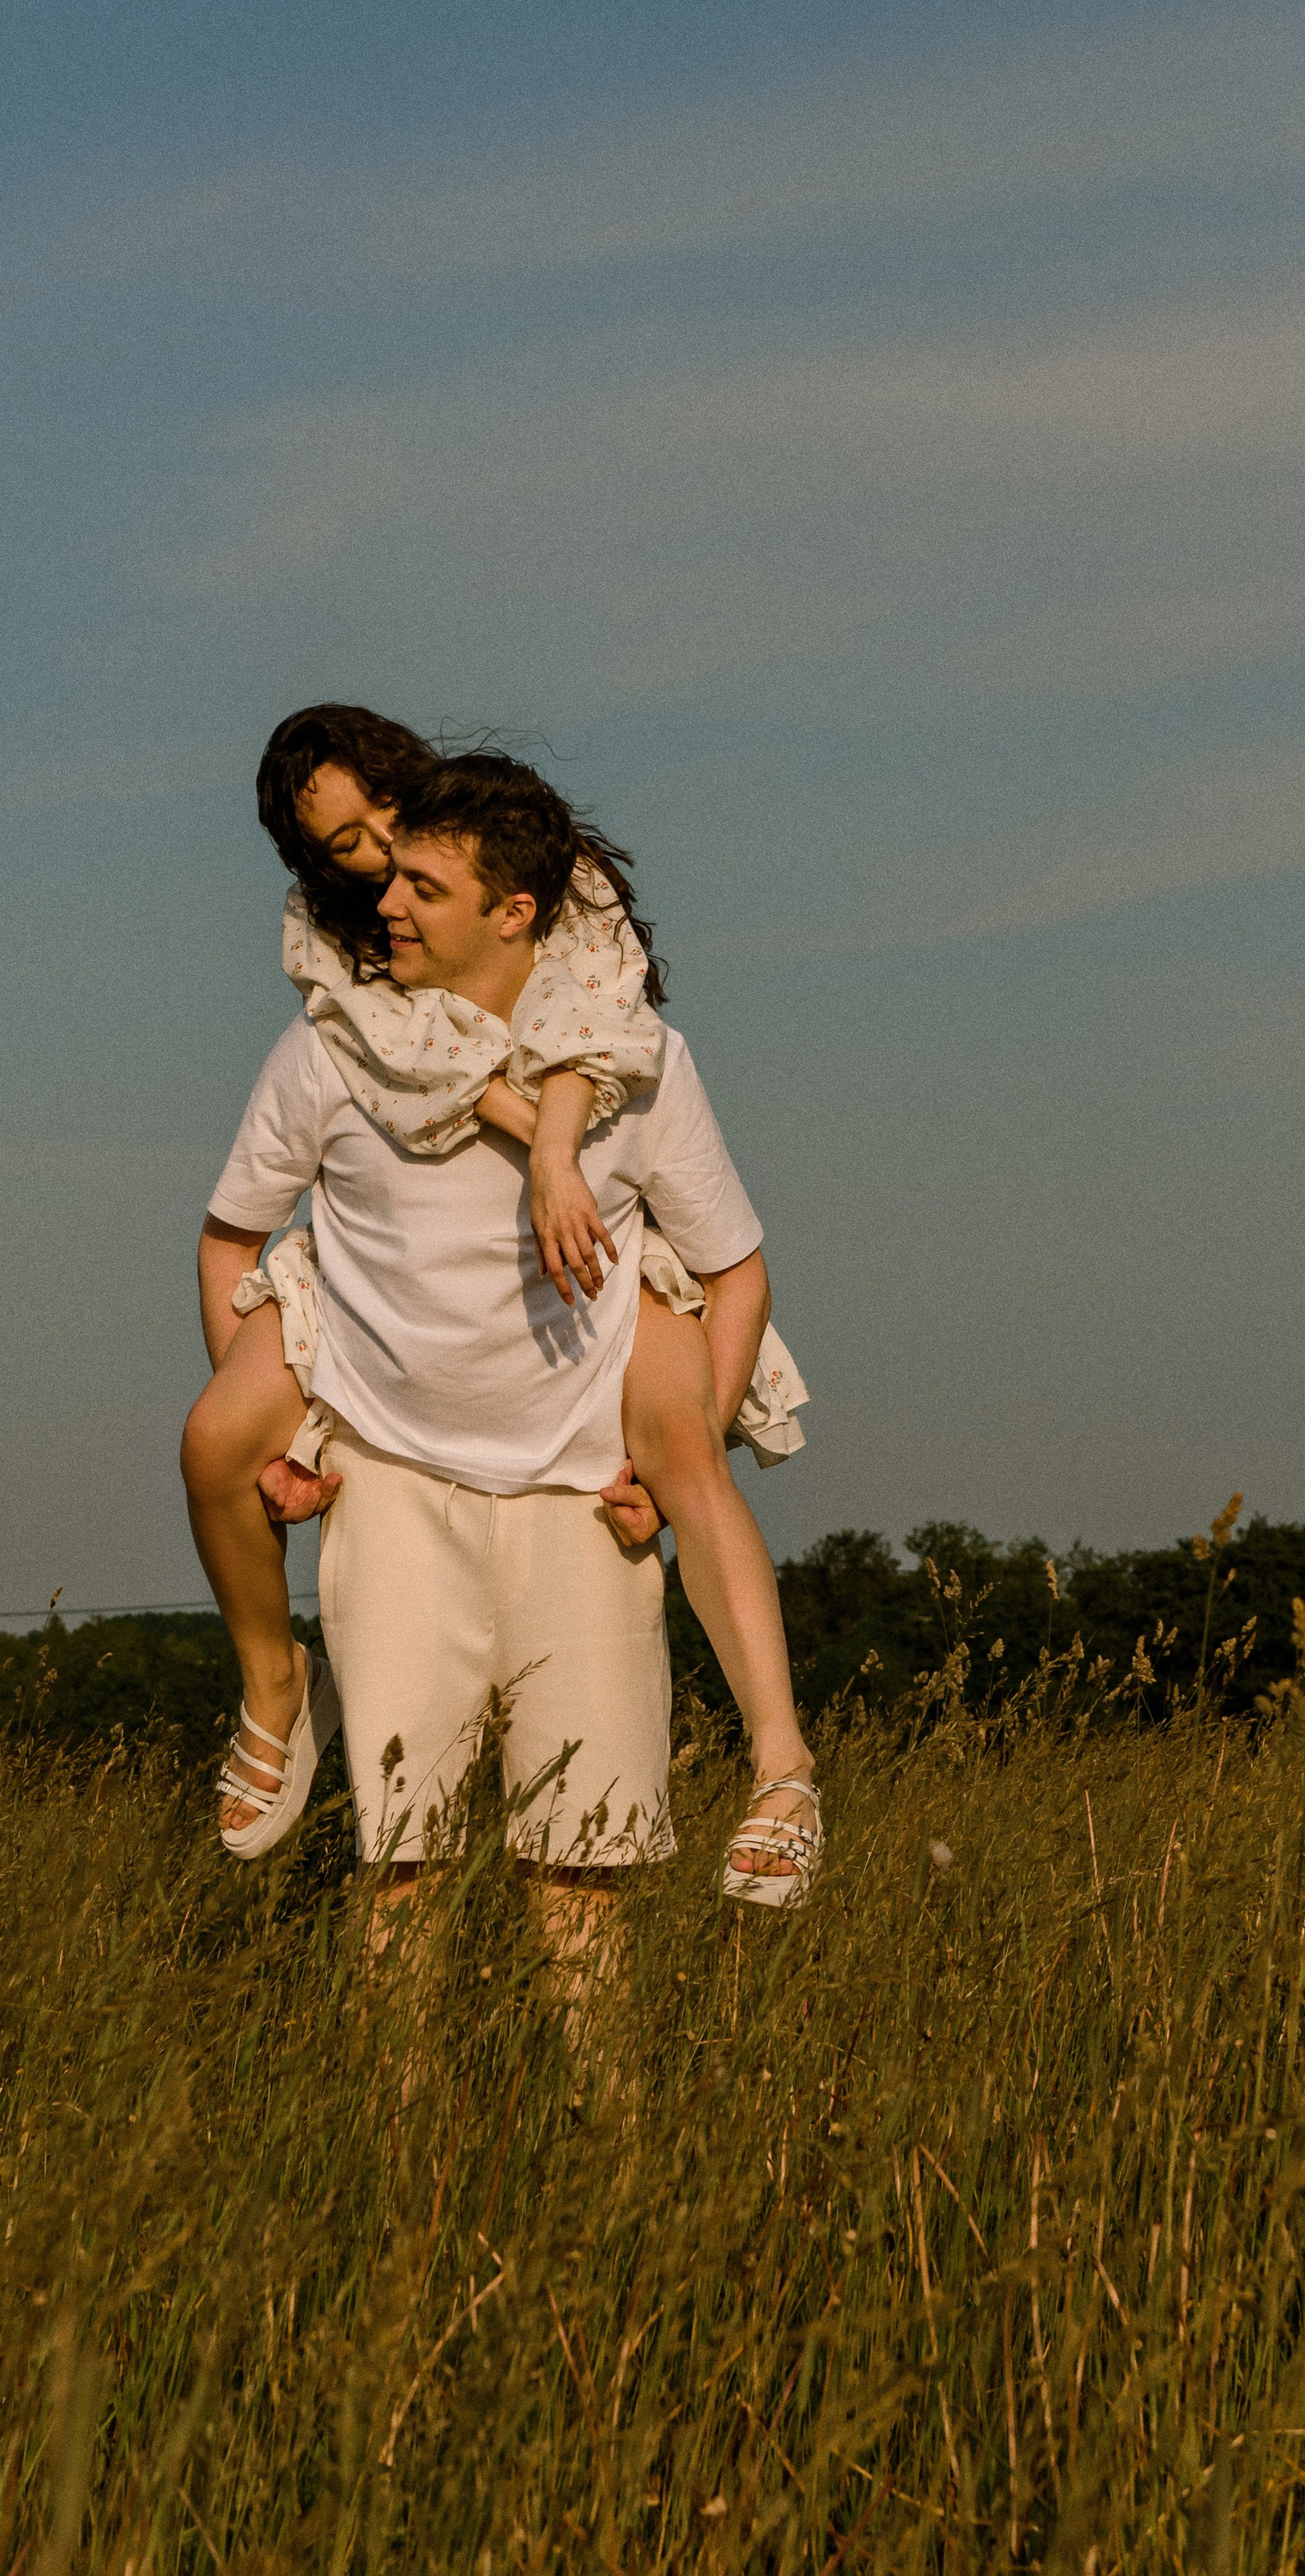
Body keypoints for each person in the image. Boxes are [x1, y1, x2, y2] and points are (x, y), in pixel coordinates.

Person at [184, 743, 822, 1910]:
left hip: (582, 1503)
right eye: (367, 865)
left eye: (420, 879)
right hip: (392, 1491)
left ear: (514, 910)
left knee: (582, 1880)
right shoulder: (333, 1044)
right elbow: (229, 1236)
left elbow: (737, 1272)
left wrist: (692, 1441)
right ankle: (275, 1687)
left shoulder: (636, 1053)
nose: (386, 892)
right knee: (400, 1871)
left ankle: (784, 1775)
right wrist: (296, 1436)